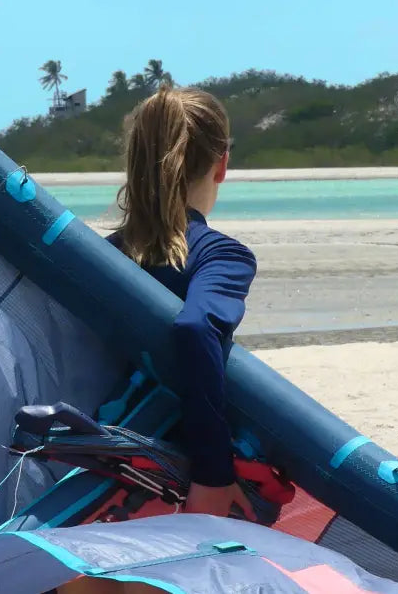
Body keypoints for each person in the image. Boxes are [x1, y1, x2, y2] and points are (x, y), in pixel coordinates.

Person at [107, 84, 257, 520]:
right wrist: (212, 476)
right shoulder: (221, 256)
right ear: (222, 164)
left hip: (89, 461)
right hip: (166, 473)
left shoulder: (98, 258)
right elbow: (195, 328)